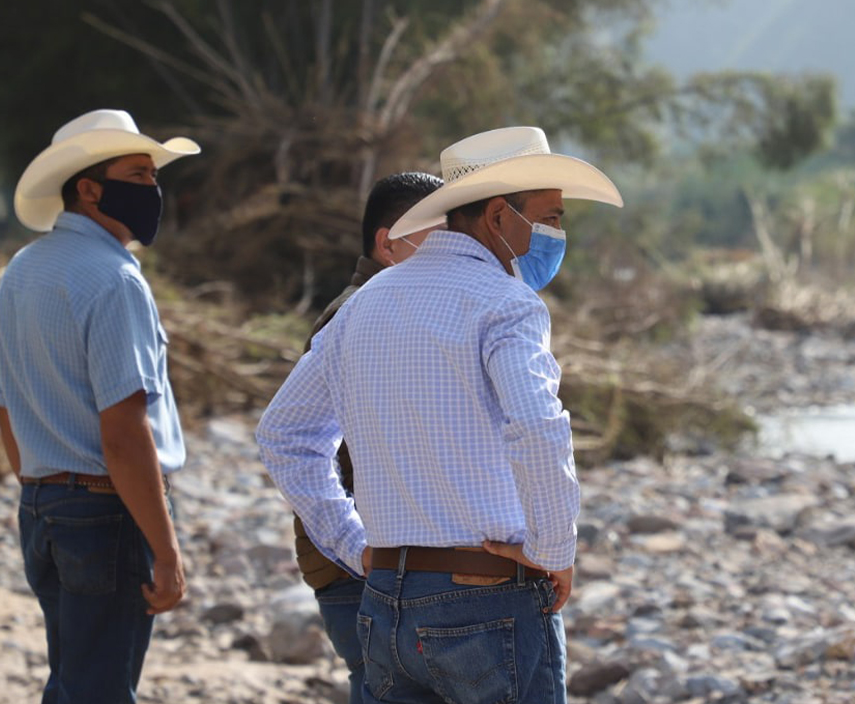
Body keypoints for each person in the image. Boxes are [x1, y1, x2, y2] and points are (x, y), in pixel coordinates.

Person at [256, 126, 622, 703]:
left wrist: (352, 546)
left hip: (385, 603)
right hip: (491, 597)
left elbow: (284, 435)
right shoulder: (507, 303)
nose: (557, 232)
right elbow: (537, 425)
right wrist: (554, 553)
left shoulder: (365, 303)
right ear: (499, 215)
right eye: (551, 217)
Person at [0, 109, 199, 704]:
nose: (153, 190)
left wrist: (46, 491)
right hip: (106, 512)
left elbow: (7, 410)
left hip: (43, 507)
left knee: (73, 678)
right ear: (88, 188)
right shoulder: (114, 279)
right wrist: (165, 550)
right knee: (98, 690)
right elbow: (124, 432)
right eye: (138, 174)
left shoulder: (19, 272)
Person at [292, 171, 443, 704]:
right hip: (362, 571)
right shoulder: (355, 315)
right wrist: (357, 547)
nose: (450, 247)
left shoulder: (381, 309)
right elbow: (301, 446)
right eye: (436, 231)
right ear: (387, 242)